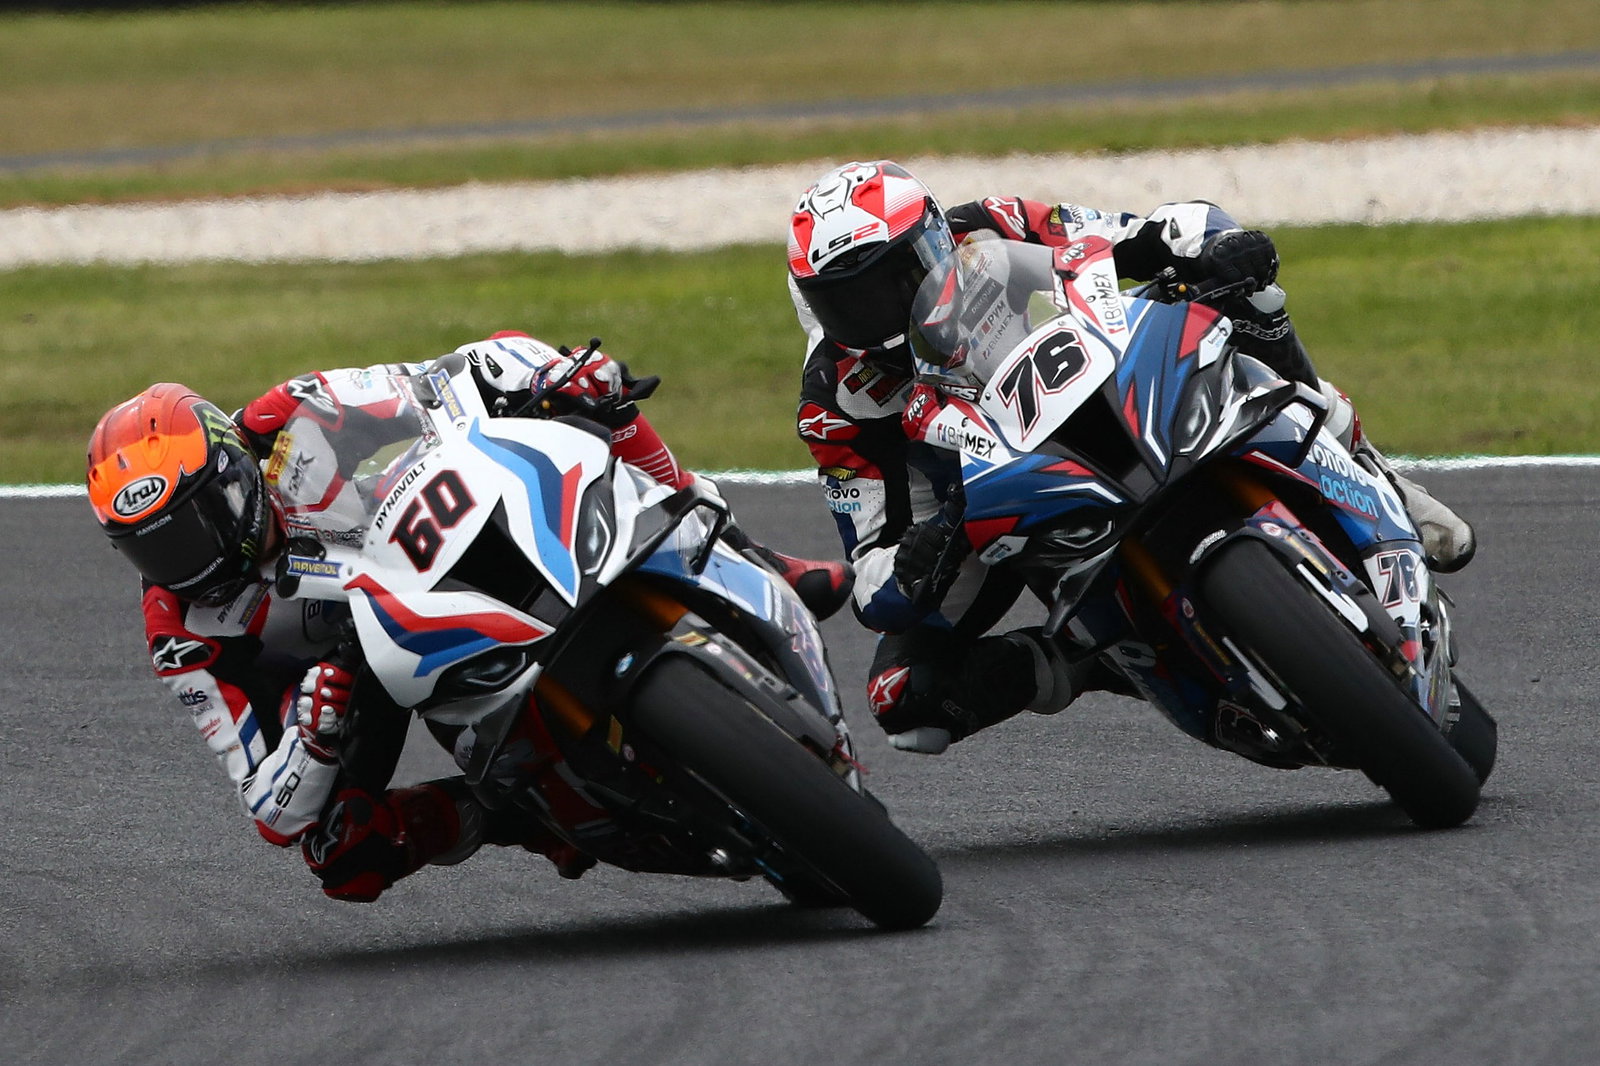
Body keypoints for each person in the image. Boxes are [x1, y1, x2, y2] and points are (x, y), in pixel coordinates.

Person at [85, 333, 853, 902]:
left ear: (230, 468)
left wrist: (547, 376)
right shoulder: (180, 633)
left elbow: (437, 383)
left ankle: (746, 546)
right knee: (340, 853)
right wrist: (314, 737)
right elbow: (271, 810)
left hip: (422, 542)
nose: (186, 562)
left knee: (590, 393)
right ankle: (517, 815)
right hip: (360, 670)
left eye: (192, 525)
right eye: (151, 550)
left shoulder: (288, 413)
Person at [785, 159, 1475, 754]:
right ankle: (1089, 660)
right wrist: (919, 553)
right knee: (904, 701)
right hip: (992, 502)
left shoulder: (992, 224)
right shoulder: (834, 400)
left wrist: (1218, 243)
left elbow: (1142, 233)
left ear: (935, 236)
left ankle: (1365, 465)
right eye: (848, 302)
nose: (880, 310)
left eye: (893, 279)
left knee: (1252, 295)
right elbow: (871, 566)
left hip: (1115, 390)